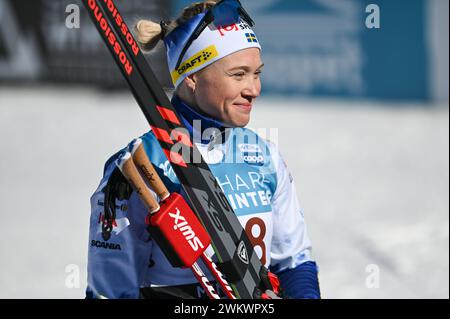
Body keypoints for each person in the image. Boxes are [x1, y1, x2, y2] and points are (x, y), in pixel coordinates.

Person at [86, 0, 321, 299]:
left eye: (256, 73)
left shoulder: (263, 156)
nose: (254, 89)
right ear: (192, 77)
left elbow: (293, 261)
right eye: (238, 75)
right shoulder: (139, 165)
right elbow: (110, 291)